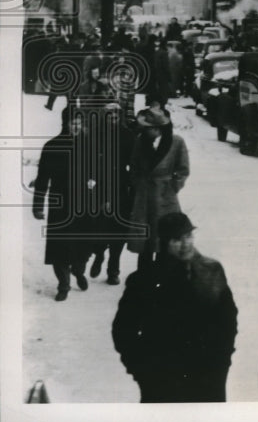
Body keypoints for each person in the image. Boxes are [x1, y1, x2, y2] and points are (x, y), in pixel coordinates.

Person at [112, 212, 238, 403]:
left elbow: (228, 319)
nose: (185, 243)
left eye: (188, 236)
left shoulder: (212, 271)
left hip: (208, 375)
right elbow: (123, 330)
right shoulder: (144, 281)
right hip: (162, 379)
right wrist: (141, 371)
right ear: (164, 242)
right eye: (177, 239)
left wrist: (222, 359)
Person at [33, 107, 97, 300]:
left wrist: (95, 184)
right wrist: (38, 205)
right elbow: (43, 178)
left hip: (83, 202)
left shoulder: (89, 145)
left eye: (79, 123)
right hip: (60, 203)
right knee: (59, 246)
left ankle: (77, 271)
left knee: (83, 245)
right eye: (73, 123)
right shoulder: (52, 147)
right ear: (65, 123)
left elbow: (98, 172)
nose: (77, 127)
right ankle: (64, 284)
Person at [126, 108, 190, 270]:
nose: (147, 131)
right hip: (145, 197)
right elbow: (133, 167)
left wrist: (173, 187)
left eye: (150, 128)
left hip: (165, 198)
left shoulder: (177, 142)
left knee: (165, 239)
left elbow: (183, 170)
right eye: (146, 128)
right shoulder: (141, 141)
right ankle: (143, 279)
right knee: (145, 242)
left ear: (159, 128)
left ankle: (163, 277)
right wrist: (139, 185)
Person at [88, 101, 137, 285]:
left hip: (121, 185)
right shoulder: (95, 134)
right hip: (99, 185)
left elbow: (133, 163)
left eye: (116, 116)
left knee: (119, 229)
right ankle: (99, 253)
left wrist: (133, 185)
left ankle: (113, 269)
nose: (113, 119)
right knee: (98, 226)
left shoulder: (127, 135)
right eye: (109, 116)